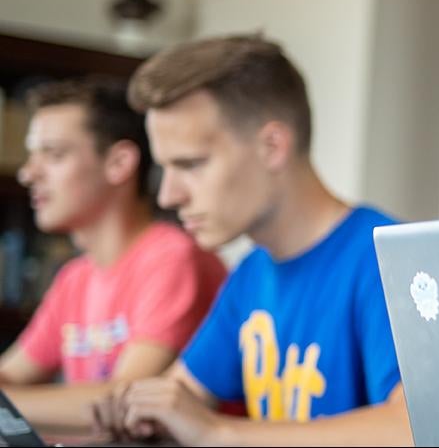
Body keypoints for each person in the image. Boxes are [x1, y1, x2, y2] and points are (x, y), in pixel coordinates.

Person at [90, 35, 410, 446]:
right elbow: (179, 397)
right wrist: (133, 412)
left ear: (272, 146)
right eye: (165, 168)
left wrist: (220, 433)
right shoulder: (252, 273)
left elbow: (416, 430)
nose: (169, 195)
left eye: (189, 164)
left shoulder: (384, 258)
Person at [0, 77, 226, 434]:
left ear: (119, 163)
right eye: (31, 155)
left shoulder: (173, 258)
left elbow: (126, 401)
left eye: (54, 154)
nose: (29, 174)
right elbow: (11, 374)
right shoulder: (75, 277)